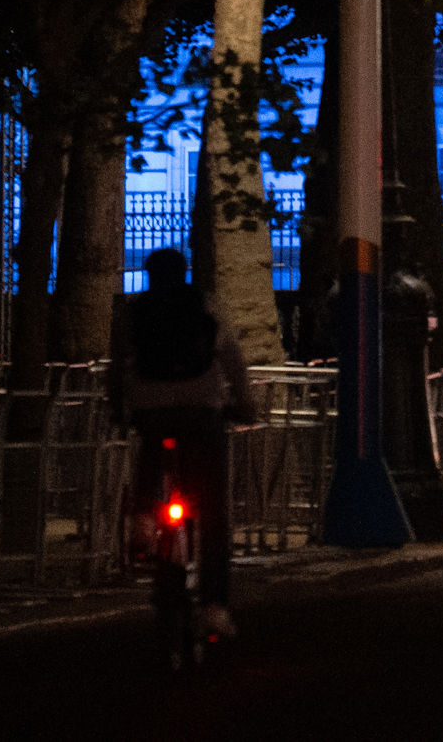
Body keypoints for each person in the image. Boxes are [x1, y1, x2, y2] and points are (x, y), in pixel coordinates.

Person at [110, 246, 259, 636]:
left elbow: (119, 363)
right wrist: (244, 405)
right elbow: (232, 360)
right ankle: (214, 606)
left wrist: (119, 412)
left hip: (151, 407)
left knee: (151, 450)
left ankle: (143, 515)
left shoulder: (132, 310)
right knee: (212, 512)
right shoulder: (207, 306)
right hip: (201, 410)